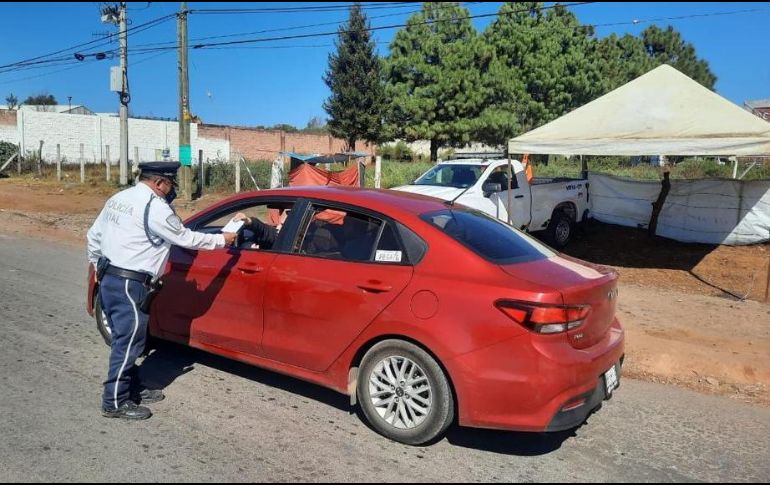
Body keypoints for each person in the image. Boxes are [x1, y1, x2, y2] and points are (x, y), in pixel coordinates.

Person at [87, 162, 237, 420]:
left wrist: (98, 269)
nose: (172, 191)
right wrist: (221, 240)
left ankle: (131, 387)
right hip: (130, 283)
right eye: (170, 185)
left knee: (131, 338)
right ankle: (114, 401)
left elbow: (94, 236)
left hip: (111, 277)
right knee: (128, 342)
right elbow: (186, 238)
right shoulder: (155, 207)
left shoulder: (119, 198)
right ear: (159, 183)